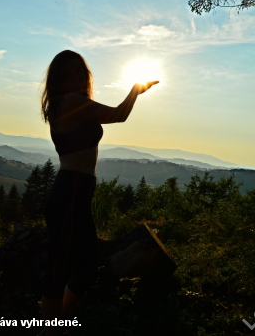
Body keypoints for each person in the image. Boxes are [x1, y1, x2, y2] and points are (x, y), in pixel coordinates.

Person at [38, 50, 158, 336]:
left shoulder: (70, 102)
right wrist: (135, 91)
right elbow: (118, 115)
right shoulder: (70, 102)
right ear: (59, 79)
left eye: (80, 72)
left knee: (87, 268)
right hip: (69, 192)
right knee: (59, 269)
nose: (76, 78)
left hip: (77, 195)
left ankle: (60, 325)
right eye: (69, 74)